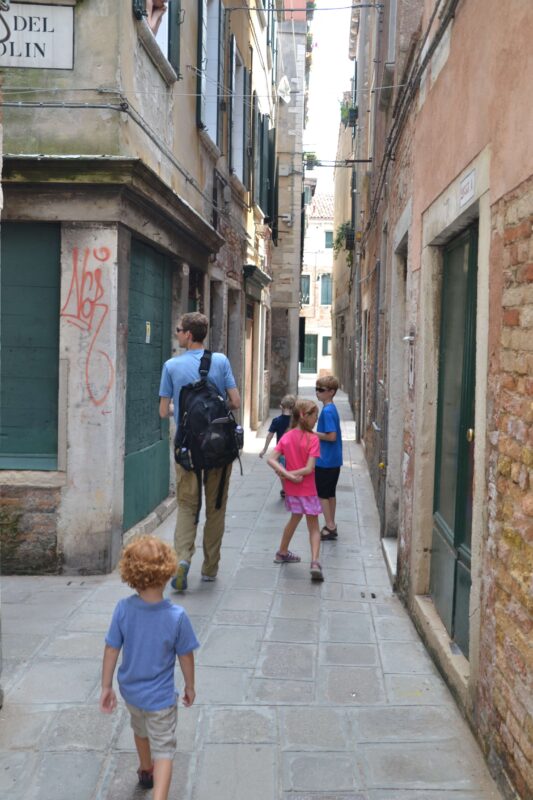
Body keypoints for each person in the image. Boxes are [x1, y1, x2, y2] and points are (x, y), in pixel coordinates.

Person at [99, 536, 199, 800]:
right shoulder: (177, 616)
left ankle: (145, 770)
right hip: (161, 699)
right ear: (167, 571)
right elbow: (186, 656)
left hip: (132, 693)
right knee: (164, 747)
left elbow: (111, 649)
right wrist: (189, 685)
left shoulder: (123, 609)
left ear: (130, 572)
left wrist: (106, 686)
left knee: (140, 730)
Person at [159, 312, 241, 591]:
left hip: (187, 449)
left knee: (187, 507)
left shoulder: (171, 366)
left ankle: (182, 561)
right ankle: (210, 568)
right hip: (218, 447)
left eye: (179, 330)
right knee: (216, 508)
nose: (177, 334)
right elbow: (236, 402)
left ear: (189, 335)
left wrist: (179, 411)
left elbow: (163, 410)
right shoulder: (220, 361)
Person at [267, 398, 324, 581]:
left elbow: (271, 459)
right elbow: (309, 469)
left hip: (292, 490)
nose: (316, 420)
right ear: (304, 416)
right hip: (307, 489)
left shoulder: (287, 436)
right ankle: (315, 562)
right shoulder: (313, 439)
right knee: (314, 527)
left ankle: (282, 552)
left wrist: (287, 474)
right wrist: (291, 474)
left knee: (294, 519)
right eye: (314, 416)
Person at [314, 375, 343, 540]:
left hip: (325, 460)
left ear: (331, 392)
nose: (318, 392)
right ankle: (331, 523)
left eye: (321, 390)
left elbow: (331, 436)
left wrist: (311, 433)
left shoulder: (327, 411)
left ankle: (330, 526)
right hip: (333, 459)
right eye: (317, 389)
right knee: (330, 493)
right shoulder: (331, 408)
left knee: (322, 494)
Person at [258, 394, 296, 498]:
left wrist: (264, 449)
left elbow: (269, 436)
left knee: (282, 471)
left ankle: (285, 489)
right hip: (294, 452)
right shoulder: (297, 422)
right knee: (293, 470)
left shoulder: (277, 421)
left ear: (281, 406)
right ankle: (292, 488)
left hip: (282, 452)